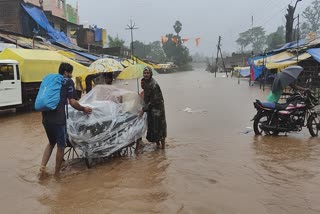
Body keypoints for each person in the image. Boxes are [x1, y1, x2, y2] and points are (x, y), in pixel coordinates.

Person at [39, 62, 92, 179]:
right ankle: (57, 175)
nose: (71, 75)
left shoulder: (51, 80)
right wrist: (83, 108)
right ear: (65, 72)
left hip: (45, 118)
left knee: (51, 142)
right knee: (61, 145)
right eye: (70, 72)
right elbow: (72, 102)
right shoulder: (68, 82)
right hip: (58, 119)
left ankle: (42, 169)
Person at [139, 67, 167, 149]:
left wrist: (143, 110)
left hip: (158, 110)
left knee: (160, 128)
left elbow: (153, 100)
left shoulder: (154, 85)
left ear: (151, 74)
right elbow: (147, 96)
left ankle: (163, 149)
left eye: (147, 73)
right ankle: (158, 146)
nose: (146, 75)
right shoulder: (146, 83)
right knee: (153, 129)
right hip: (151, 110)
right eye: (144, 73)